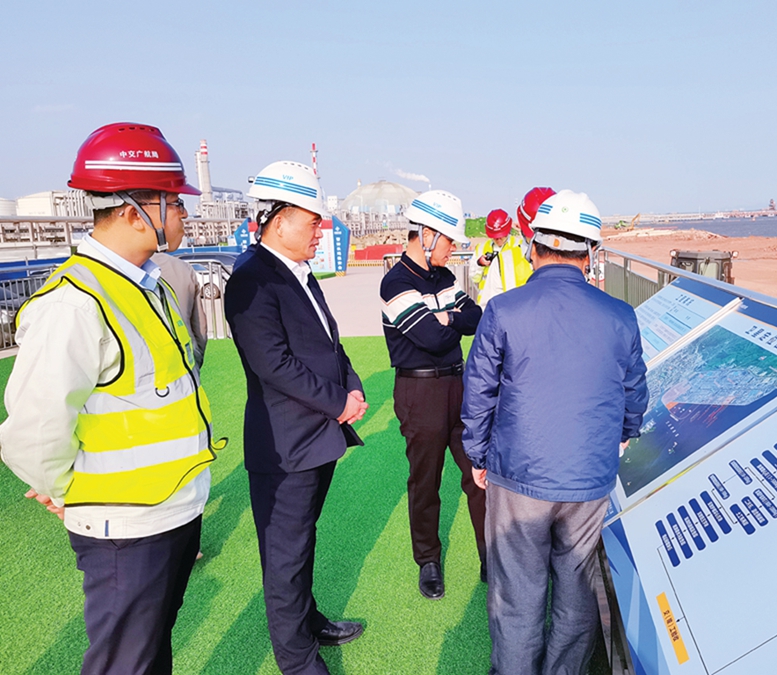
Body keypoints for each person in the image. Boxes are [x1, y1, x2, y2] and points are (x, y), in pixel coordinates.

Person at [0, 122, 219, 674]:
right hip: (125, 530)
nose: (184, 214)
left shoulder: (149, 283)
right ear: (132, 211)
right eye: (174, 202)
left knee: (150, 654)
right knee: (126, 663)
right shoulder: (74, 303)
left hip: (172, 510)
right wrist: (65, 491)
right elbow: (33, 430)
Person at [461, 190, 649, 675]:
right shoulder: (620, 315)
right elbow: (634, 392)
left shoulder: (503, 310)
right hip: (589, 479)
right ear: (591, 253)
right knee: (576, 591)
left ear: (533, 245)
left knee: (517, 595)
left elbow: (478, 391)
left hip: (518, 475)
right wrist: (624, 434)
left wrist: (477, 455)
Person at [224, 160, 367, 675]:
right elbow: (274, 364)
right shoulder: (251, 279)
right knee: (284, 560)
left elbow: (329, 341)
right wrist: (338, 401)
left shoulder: (297, 270)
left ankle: (309, 622)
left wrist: (351, 383)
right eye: (312, 222)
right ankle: (299, 663)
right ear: (279, 220)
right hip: (285, 445)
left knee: (301, 543)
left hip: (315, 438)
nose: (320, 231)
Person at [380, 189, 486, 600]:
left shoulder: (444, 278)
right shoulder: (396, 282)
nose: (452, 249)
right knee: (426, 480)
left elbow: (475, 317)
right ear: (427, 234)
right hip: (419, 389)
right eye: (449, 241)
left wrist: (447, 318)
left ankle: (491, 556)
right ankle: (427, 559)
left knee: (478, 473)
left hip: (458, 385)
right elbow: (431, 337)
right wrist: (450, 320)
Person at [152, 251, 208, 368]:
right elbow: (199, 325)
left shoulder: (119, 270)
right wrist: (197, 355)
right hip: (187, 355)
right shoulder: (183, 267)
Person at [468, 208, 532, 307]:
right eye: (495, 237)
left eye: (501, 236)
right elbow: (474, 278)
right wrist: (479, 264)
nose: (498, 239)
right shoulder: (481, 248)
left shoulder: (519, 246)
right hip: (487, 304)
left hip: (512, 303)